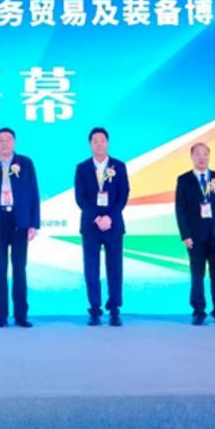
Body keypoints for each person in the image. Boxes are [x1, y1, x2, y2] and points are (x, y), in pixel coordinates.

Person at [0, 128, 39, 328]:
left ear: (14, 142)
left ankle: (21, 316)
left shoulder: (26, 163)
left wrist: (34, 223)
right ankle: (1, 317)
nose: (4, 143)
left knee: (20, 269)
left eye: (8, 139)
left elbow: (34, 193)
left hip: (19, 221)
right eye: (0, 140)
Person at [73, 127, 130, 326]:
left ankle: (114, 308)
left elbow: (123, 194)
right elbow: (80, 197)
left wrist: (109, 217)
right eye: (95, 141)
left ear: (108, 143)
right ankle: (95, 309)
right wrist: (97, 217)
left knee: (115, 267)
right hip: (91, 225)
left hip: (113, 225)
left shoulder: (119, 166)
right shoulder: (82, 168)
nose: (99, 144)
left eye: (102, 140)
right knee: (91, 269)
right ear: (90, 144)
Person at [174, 143, 215, 326]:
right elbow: (180, 210)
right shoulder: (184, 180)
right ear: (192, 157)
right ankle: (198, 312)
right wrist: (185, 235)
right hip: (195, 236)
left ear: (209, 156)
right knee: (197, 276)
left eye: (205, 154)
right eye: (198, 154)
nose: (202, 158)